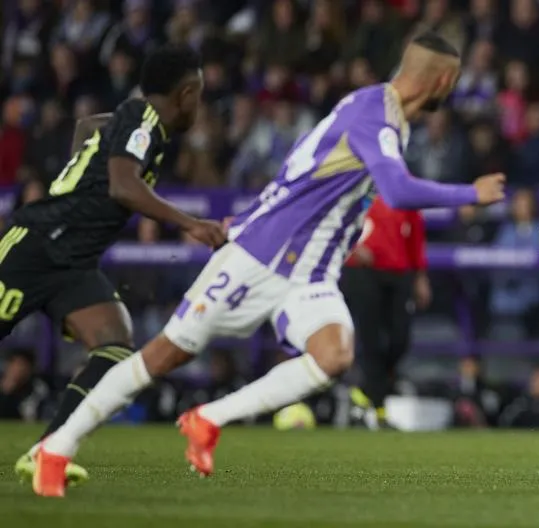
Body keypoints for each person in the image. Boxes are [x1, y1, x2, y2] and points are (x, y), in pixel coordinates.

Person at [32, 31, 506, 497]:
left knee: (334, 354)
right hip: (260, 257)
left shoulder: (380, 115)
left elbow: (300, 170)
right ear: (442, 81)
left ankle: (208, 419)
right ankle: (57, 447)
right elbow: (398, 191)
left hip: (308, 272)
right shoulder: (374, 116)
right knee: (165, 355)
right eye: (453, 81)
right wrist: (472, 193)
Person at [9, 44, 226, 485]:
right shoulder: (143, 117)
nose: (199, 106)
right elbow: (123, 187)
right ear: (186, 94)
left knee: (114, 346)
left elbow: (88, 126)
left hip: (74, 263)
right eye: (199, 96)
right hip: (37, 247)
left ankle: (48, 450)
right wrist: (191, 223)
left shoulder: (139, 125)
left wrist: (79, 173)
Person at [342, 195, 431, 430]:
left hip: (399, 270)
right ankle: (379, 410)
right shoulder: (359, 187)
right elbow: (335, 222)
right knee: (371, 341)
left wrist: (420, 276)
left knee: (400, 340)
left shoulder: (403, 188)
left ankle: (364, 394)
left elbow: (415, 234)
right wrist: (352, 248)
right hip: (363, 271)